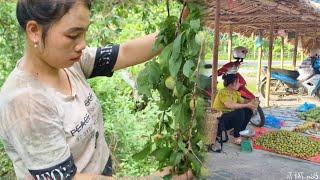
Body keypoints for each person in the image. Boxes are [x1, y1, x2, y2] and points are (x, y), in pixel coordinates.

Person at [0, 0, 180, 179]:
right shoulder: (26, 105)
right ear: (34, 31)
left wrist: (180, 25)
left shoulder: (67, 63)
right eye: (72, 35)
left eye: (84, 33)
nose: (82, 44)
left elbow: (124, 53)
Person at [212, 74, 257, 144]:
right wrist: (246, 105)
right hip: (219, 120)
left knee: (248, 111)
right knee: (240, 111)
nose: (239, 84)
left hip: (228, 119)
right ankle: (236, 137)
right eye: (237, 82)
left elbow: (243, 101)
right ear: (231, 84)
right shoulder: (223, 92)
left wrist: (252, 101)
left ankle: (239, 131)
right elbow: (230, 105)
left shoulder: (235, 93)